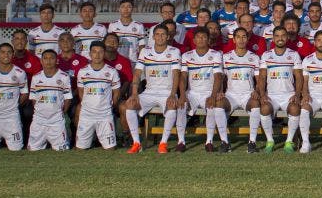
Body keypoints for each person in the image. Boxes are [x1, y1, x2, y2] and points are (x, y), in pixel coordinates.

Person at [123, 25, 183, 154]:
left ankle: (163, 143)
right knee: (129, 104)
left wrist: (173, 94)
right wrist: (134, 94)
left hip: (167, 91)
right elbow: (138, 73)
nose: (160, 37)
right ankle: (136, 143)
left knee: (172, 106)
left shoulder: (174, 51)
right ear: (153, 36)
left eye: (163, 34)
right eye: (157, 34)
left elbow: (176, 74)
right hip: (149, 91)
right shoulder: (145, 51)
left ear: (168, 37)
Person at [257, 26, 304, 153]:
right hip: (271, 95)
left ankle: (289, 142)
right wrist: (262, 94)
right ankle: (270, 141)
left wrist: (297, 94)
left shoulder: (293, 54)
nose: (280, 38)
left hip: (288, 95)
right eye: (277, 36)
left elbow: (299, 77)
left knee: (294, 108)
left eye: (283, 35)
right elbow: (262, 77)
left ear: (287, 37)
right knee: (264, 108)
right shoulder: (266, 55)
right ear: (273, 38)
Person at [180, 27, 225, 152]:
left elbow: (218, 77)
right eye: (198, 37)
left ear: (208, 39)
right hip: (192, 92)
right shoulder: (186, 55)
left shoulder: (216, 54)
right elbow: (183, 77)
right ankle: (181, 141)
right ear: (194, 40)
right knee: (181, 105)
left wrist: (213, 95)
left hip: (208, 92)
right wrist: (183, 94)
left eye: (204, 37)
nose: (201, 39)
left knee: (212, 106)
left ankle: (209, 141)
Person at [219, 28, 263, 153]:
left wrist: (257, 91)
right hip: (231, 94)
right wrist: (220, 91)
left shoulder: (254, 57)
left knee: (255, 104)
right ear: (234, 39)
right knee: (218, 105)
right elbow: (221, 77)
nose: (241, 39)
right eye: (238, 37)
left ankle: (252, 142)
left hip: (247, 94)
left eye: (244, 36)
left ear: (248, 39)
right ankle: (225, 142)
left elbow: (259, 79)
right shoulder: (226, 57)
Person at [76, 41, 121, 150]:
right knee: (80, 149)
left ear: (104, 53)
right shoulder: (82, 71)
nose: (97, 55)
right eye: (94, 52)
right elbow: (81, 92)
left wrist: (109, 107)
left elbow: (116, 93)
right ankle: (89, 140)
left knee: (111, 149)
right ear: (90, 54)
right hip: (87, 115)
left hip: (104, 115)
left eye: (100, 52)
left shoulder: (112, 71)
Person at [108, 0, 146, 64]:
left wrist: (141, 61)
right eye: (123, 7)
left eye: (129, 7)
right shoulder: (113, 25)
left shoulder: (139, 26)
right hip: (116, 61)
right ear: (119, 9)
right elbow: (108, 44)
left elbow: (141, 45)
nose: (126, 9)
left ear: (133, 9)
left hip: (133, 61)